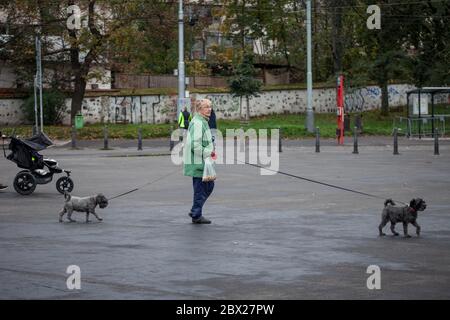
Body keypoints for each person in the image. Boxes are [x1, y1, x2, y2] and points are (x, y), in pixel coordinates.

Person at [183, 99, 215, 224]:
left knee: (207, 186)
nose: (209, 109)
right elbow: (194, 146)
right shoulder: (198, 123)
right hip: (198, 162)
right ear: (199, 109)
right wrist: (208, 152)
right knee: (202, 189)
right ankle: (196, 214)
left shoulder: (202, 121)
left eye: (210, 106)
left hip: (202, 161)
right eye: (206, 107)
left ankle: (195, 211)